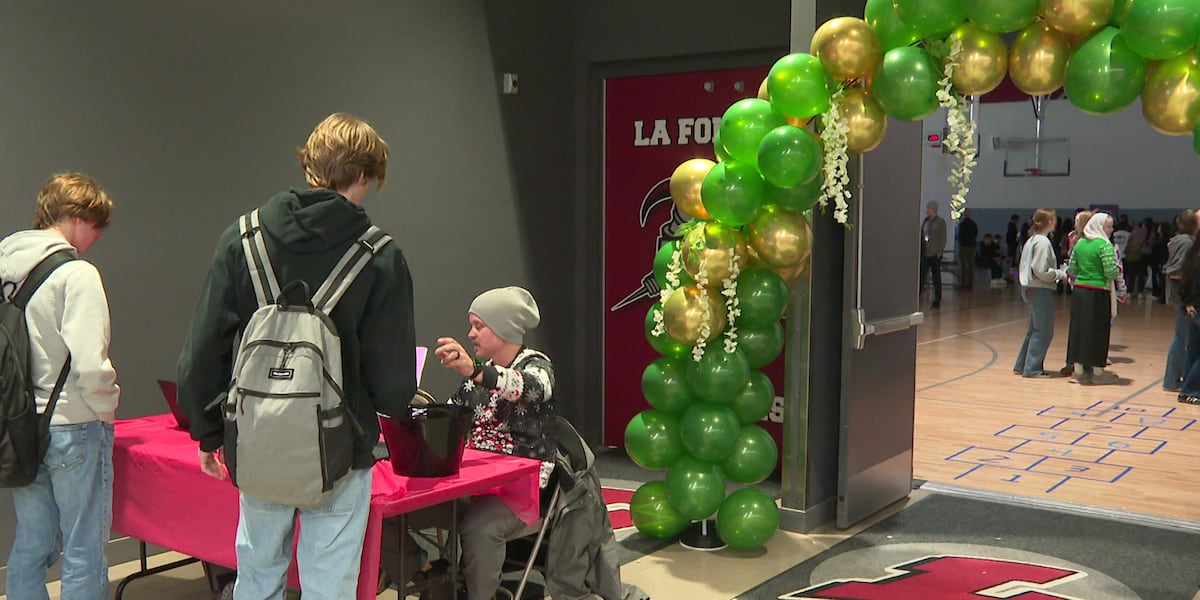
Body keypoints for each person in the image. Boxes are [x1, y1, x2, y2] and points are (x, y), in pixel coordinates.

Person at [177, 113, 417, 599]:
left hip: (259, 440)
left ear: (310, 165)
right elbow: (394, 385)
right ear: (366, 175)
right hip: (342, 449)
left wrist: (207, 433)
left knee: (259, 574)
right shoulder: (379, 255)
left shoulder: (242, 239)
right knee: (329, 583)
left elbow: (202, 351)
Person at [0, 173, 120, 600]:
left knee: (31, 542)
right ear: (74, 216)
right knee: (84, 548)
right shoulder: (77, 274)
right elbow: (90, 365)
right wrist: (107, 407)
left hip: (17, 427)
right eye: (97, 224)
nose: (99, 235)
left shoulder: (4, 266)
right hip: (74, 424)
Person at [433, 286, 557, 599]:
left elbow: (530, 389)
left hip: (524, 490)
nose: (470, 334)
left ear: (503, 329)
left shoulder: (537, 366)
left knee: (479, 527)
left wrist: (476, 372)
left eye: (479, 326)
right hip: (473, 482)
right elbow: (448, 415)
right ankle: (428, 572)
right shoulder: (476, 377)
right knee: (401, 511)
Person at [1065, 212, 1122, 385]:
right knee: (1098, 331)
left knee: (1078, 331)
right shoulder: (1104, 245)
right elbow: (1110, 272)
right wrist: (1117, 270)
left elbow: (1072, 268)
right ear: (1099, 226)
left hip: (1080, 292)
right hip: (1099, 292)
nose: (1111, 230)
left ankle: (1078, 372)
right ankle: (1098, 373)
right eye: (1108, 226)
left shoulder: (1080, 243)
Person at [1013, 208, 1068, 378]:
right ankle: (1032, 369)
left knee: (1035, 328)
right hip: (1039, 289)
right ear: (1050, 222)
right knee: (1043, 330)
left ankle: (1022, 365)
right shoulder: (1043, 242)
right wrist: (1061, 274)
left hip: (1029, 287)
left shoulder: (1032, 239)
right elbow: (1040, 269)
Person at [1163, 209, 1197, 392]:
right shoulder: (1185, 243)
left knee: (1185, 337)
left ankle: (1179, 376)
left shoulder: (1187, 241)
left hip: (1186, 296)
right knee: (1181, 337)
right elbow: (1175, 271)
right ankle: (1171, 380)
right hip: (1184, 297)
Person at [920, 201, 947, 308]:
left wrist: (940, 252)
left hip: (935, 254)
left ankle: (937, 299)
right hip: (926, 253)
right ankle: (917, 298)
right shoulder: (925, 221)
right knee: (922, 276)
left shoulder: (940, 222)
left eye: (929, 208)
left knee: (936, 277)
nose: (927, 210)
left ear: (934, 209)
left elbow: (943, 238)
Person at [956, 208, 978, 290]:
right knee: (971, 266)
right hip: (972, 246)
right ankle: (970, 283)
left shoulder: (962, 224)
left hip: (964, 246)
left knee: (963, 266)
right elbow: (976, 233)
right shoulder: (973, 224)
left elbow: (961, 235)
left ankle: (963, 283)